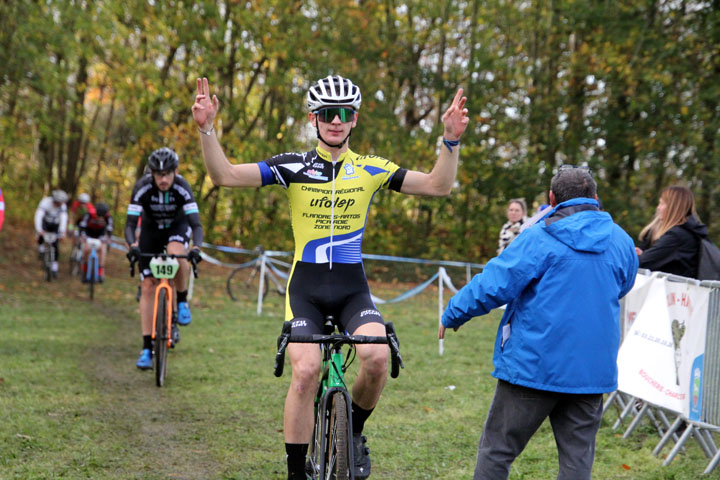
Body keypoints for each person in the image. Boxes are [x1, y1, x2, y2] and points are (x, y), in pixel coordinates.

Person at [192, 75, 468, 480]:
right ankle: (294, 472)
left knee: (377, 357)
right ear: (313, 118)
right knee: (306, 371)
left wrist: (450, 141)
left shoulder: (371, 168)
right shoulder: (294, 166)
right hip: (307, 289)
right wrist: (207, 130)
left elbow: (438, 185)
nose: (335, 121)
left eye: (343, 114)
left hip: (352, 289)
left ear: (354, 119)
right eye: (327, 113)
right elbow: (225, 175)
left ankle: (352, 432)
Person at [439, 166, 638, 480]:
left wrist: (454, 312)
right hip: (591, 372)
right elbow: (623, 286)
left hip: (533, 366)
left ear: (551, 198)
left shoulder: (539, 236)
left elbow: (495, 282)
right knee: (577, 464)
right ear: (596, 198)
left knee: (497, 451)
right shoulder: (622, 241)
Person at [124, 148, 203, 370]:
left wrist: (196, 248)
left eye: (168, 173)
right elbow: (130, 225)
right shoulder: (142, 187)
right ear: (151, 173)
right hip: (150, 233)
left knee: (177, 254)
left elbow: (196, 225)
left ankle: (181, 301)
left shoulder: (182, 187)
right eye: (159, 174)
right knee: (148, 286)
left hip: (177, 228)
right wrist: (133, 246)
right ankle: (147, 348)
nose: (164, 179)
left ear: (175, 172)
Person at [636, 185, 707, 279]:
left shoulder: (677, 236)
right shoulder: (686, 233)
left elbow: (643, 262)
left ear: (672, 208)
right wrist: (642, 253)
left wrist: (637, 255)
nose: (658, 208)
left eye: (661, 204)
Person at [34, 189, 69, 276]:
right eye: (58, 203)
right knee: (41, 236)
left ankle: (54, 267)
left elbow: (63, 219)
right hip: (45, 223)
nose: (59, 205)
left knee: (55, 244)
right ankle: (41, 249)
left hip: (55, 225)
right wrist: (39, 230)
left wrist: (62, 232)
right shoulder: (45, 202)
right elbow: (38, 216)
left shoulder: (63, 206)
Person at [78, 201, 113, 282]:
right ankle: (84, 271)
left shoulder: (108, 216)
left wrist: (108, 237)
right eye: (98, 215)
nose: (100, 217)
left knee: (102, 250)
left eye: (102, 216)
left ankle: (100, 273)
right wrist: (82, 236)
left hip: (100, 235)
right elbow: (82, 225)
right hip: (88, 233)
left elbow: (110, 228)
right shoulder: (89, 214)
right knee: (86, 250)